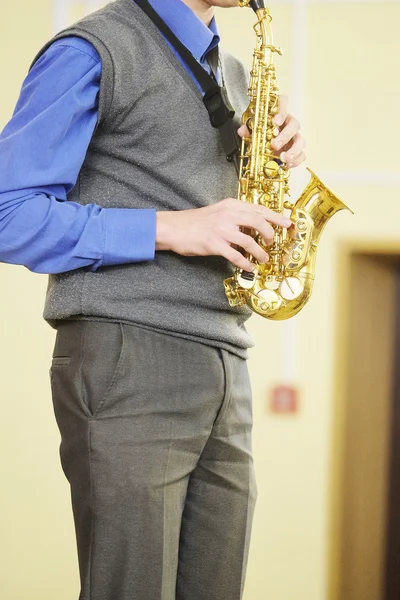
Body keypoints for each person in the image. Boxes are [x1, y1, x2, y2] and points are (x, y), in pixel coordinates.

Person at [0, 0, 306, 598]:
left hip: (224, 359)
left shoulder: (236, 74)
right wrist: (171, 227)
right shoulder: (94, 48)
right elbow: (8, 214)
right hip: (129, 351)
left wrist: (272, 180)